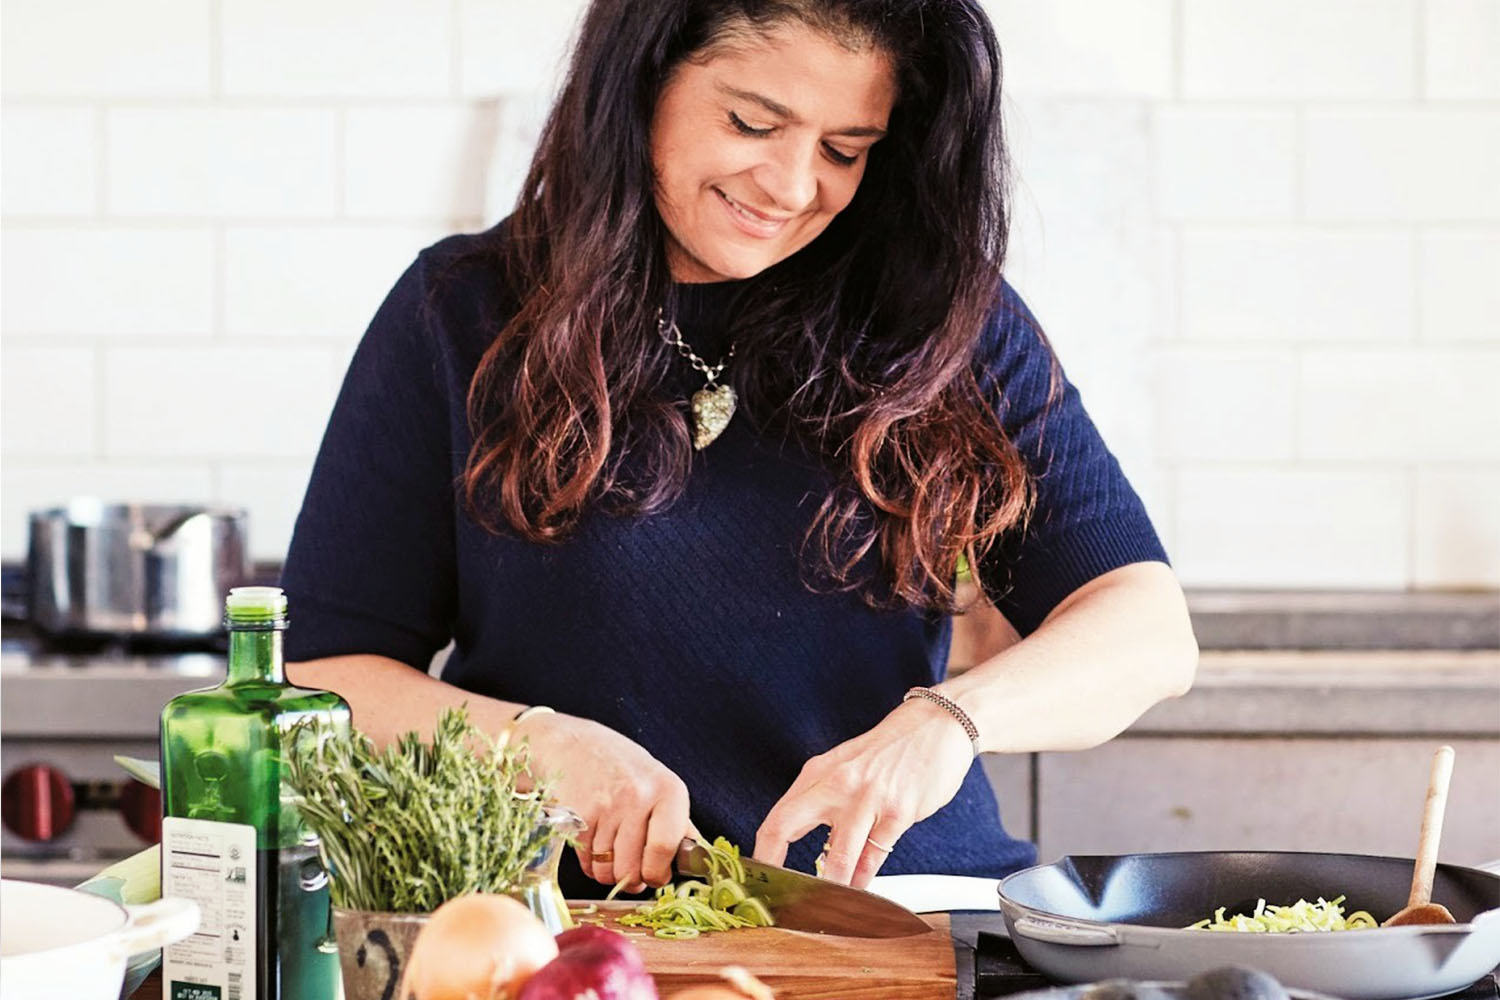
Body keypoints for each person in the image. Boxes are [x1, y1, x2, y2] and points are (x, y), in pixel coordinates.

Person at [280, 0, 1198, 901]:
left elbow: (1146, 628)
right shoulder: (464, 312)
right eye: (753, 123)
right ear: (643, 80)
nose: (794, 187)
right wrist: (542, 746)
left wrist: (951, 720)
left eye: (846, 150)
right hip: (582, 934)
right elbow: (325, 680)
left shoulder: (944, 319)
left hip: (908, 918)